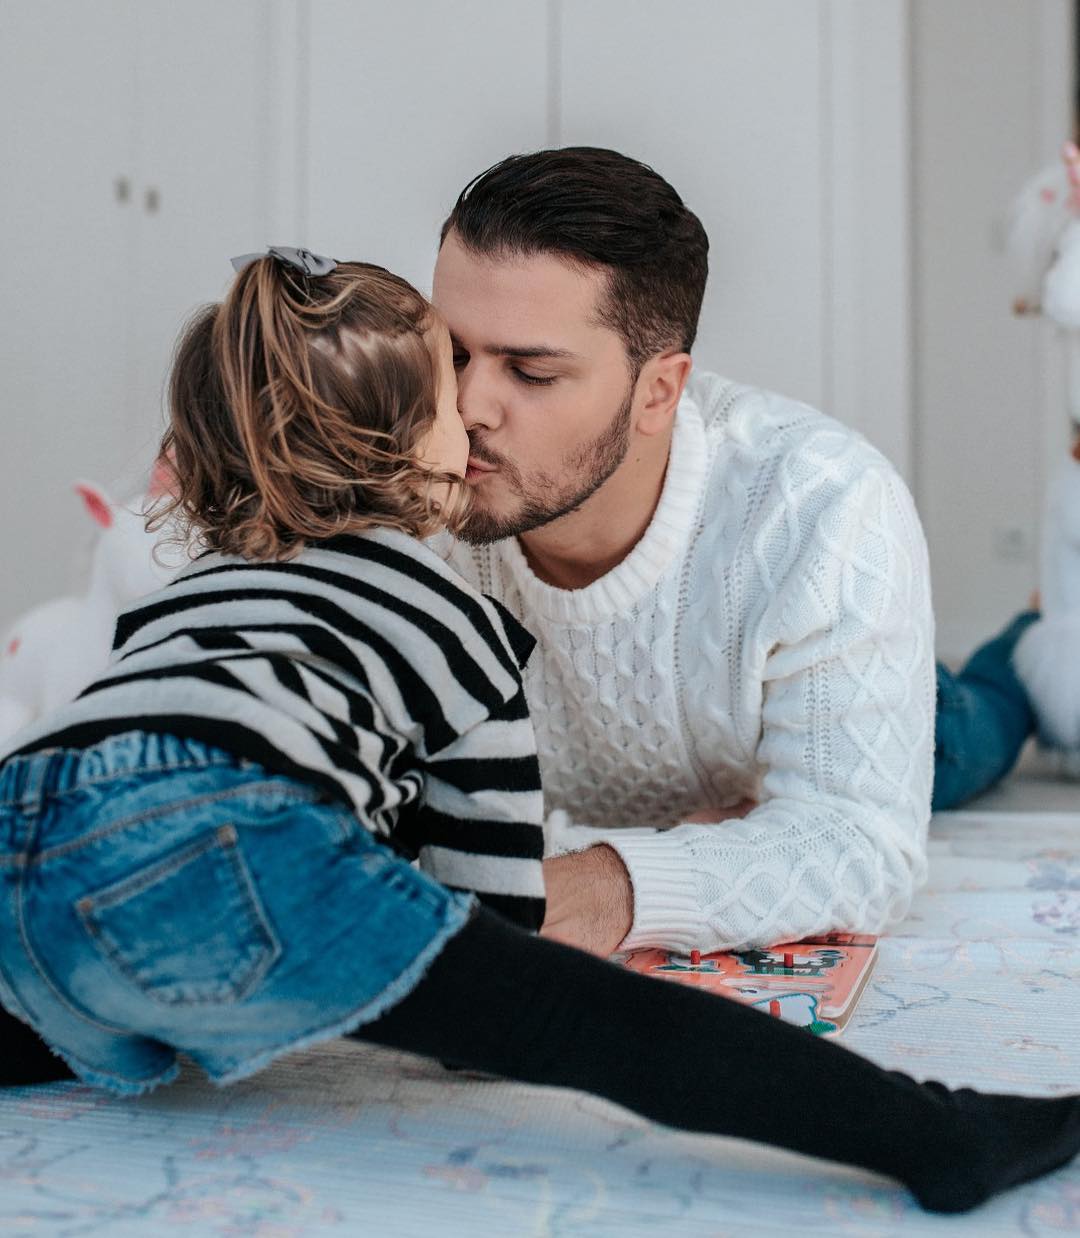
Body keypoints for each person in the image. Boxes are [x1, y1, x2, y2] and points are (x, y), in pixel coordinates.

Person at [2, 247, 1079, 1214]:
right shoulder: (447, 617)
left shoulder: (195, 591)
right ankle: (939, 1134)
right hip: (234, 831)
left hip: (26, 812)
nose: (472, 417)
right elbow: (494, 904)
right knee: (591, 1028)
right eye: (446, 397)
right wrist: (484, 990)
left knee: (46, 988)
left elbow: (133, 755)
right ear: (401, 451)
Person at [431, 146, 1041, 961]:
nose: (467, 407)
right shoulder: (402, 475)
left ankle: (1027, 653)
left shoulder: (823, 504)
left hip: (803, 704)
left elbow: (860, 845)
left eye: (531, 372)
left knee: (972, 730)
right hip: (715, 762)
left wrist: (600, 882)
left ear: (659, 391)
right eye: (453, 352)